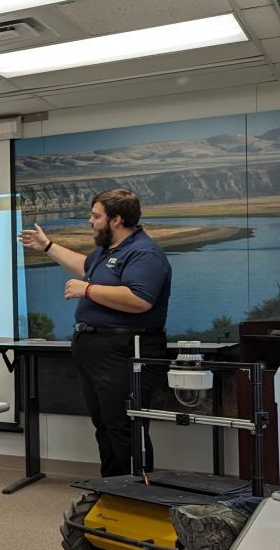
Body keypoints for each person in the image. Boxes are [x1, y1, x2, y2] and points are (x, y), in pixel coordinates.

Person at [21, 188, 171, 478]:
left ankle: (134, 495)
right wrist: (48, 246)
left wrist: (87, 290)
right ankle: (112, 489)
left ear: (116, 220)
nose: (90, 221)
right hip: (96, 350)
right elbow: (85, 267)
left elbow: (140, 299)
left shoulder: (144, 252)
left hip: (125, 349)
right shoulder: (107, 250)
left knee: (124, 426)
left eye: (95, 215)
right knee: (105, 425)